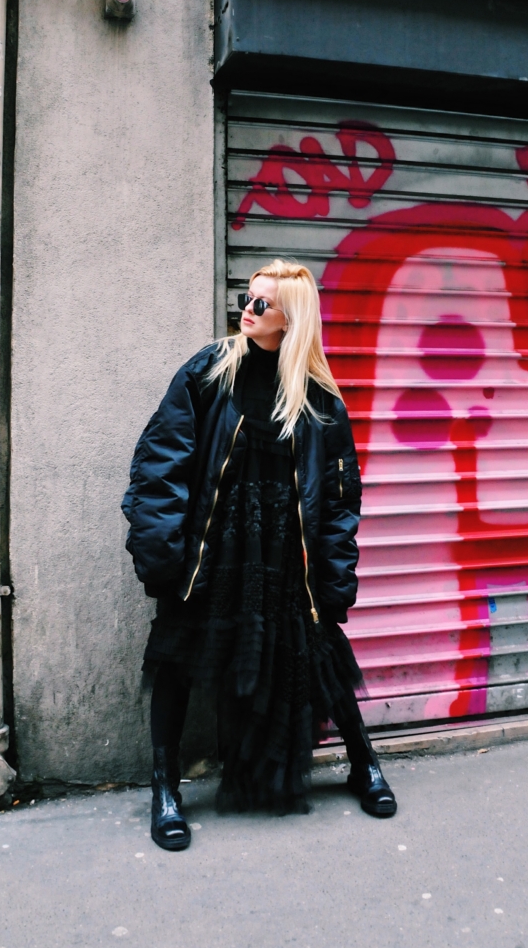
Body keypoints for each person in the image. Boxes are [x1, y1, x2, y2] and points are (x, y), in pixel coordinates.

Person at [122, 259, 397, 851]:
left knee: (317, 656)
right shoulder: (209, 369)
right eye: (248, 299)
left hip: (284, 555)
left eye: (263, 304)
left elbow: (340, 494)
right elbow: (160, 462)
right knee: (177, 657)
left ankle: (363, 761)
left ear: (291, 319)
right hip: (212, 548)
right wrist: (161, 550)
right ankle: (164, 786)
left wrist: (335, 573)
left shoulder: (318, 396)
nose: (247, 310)